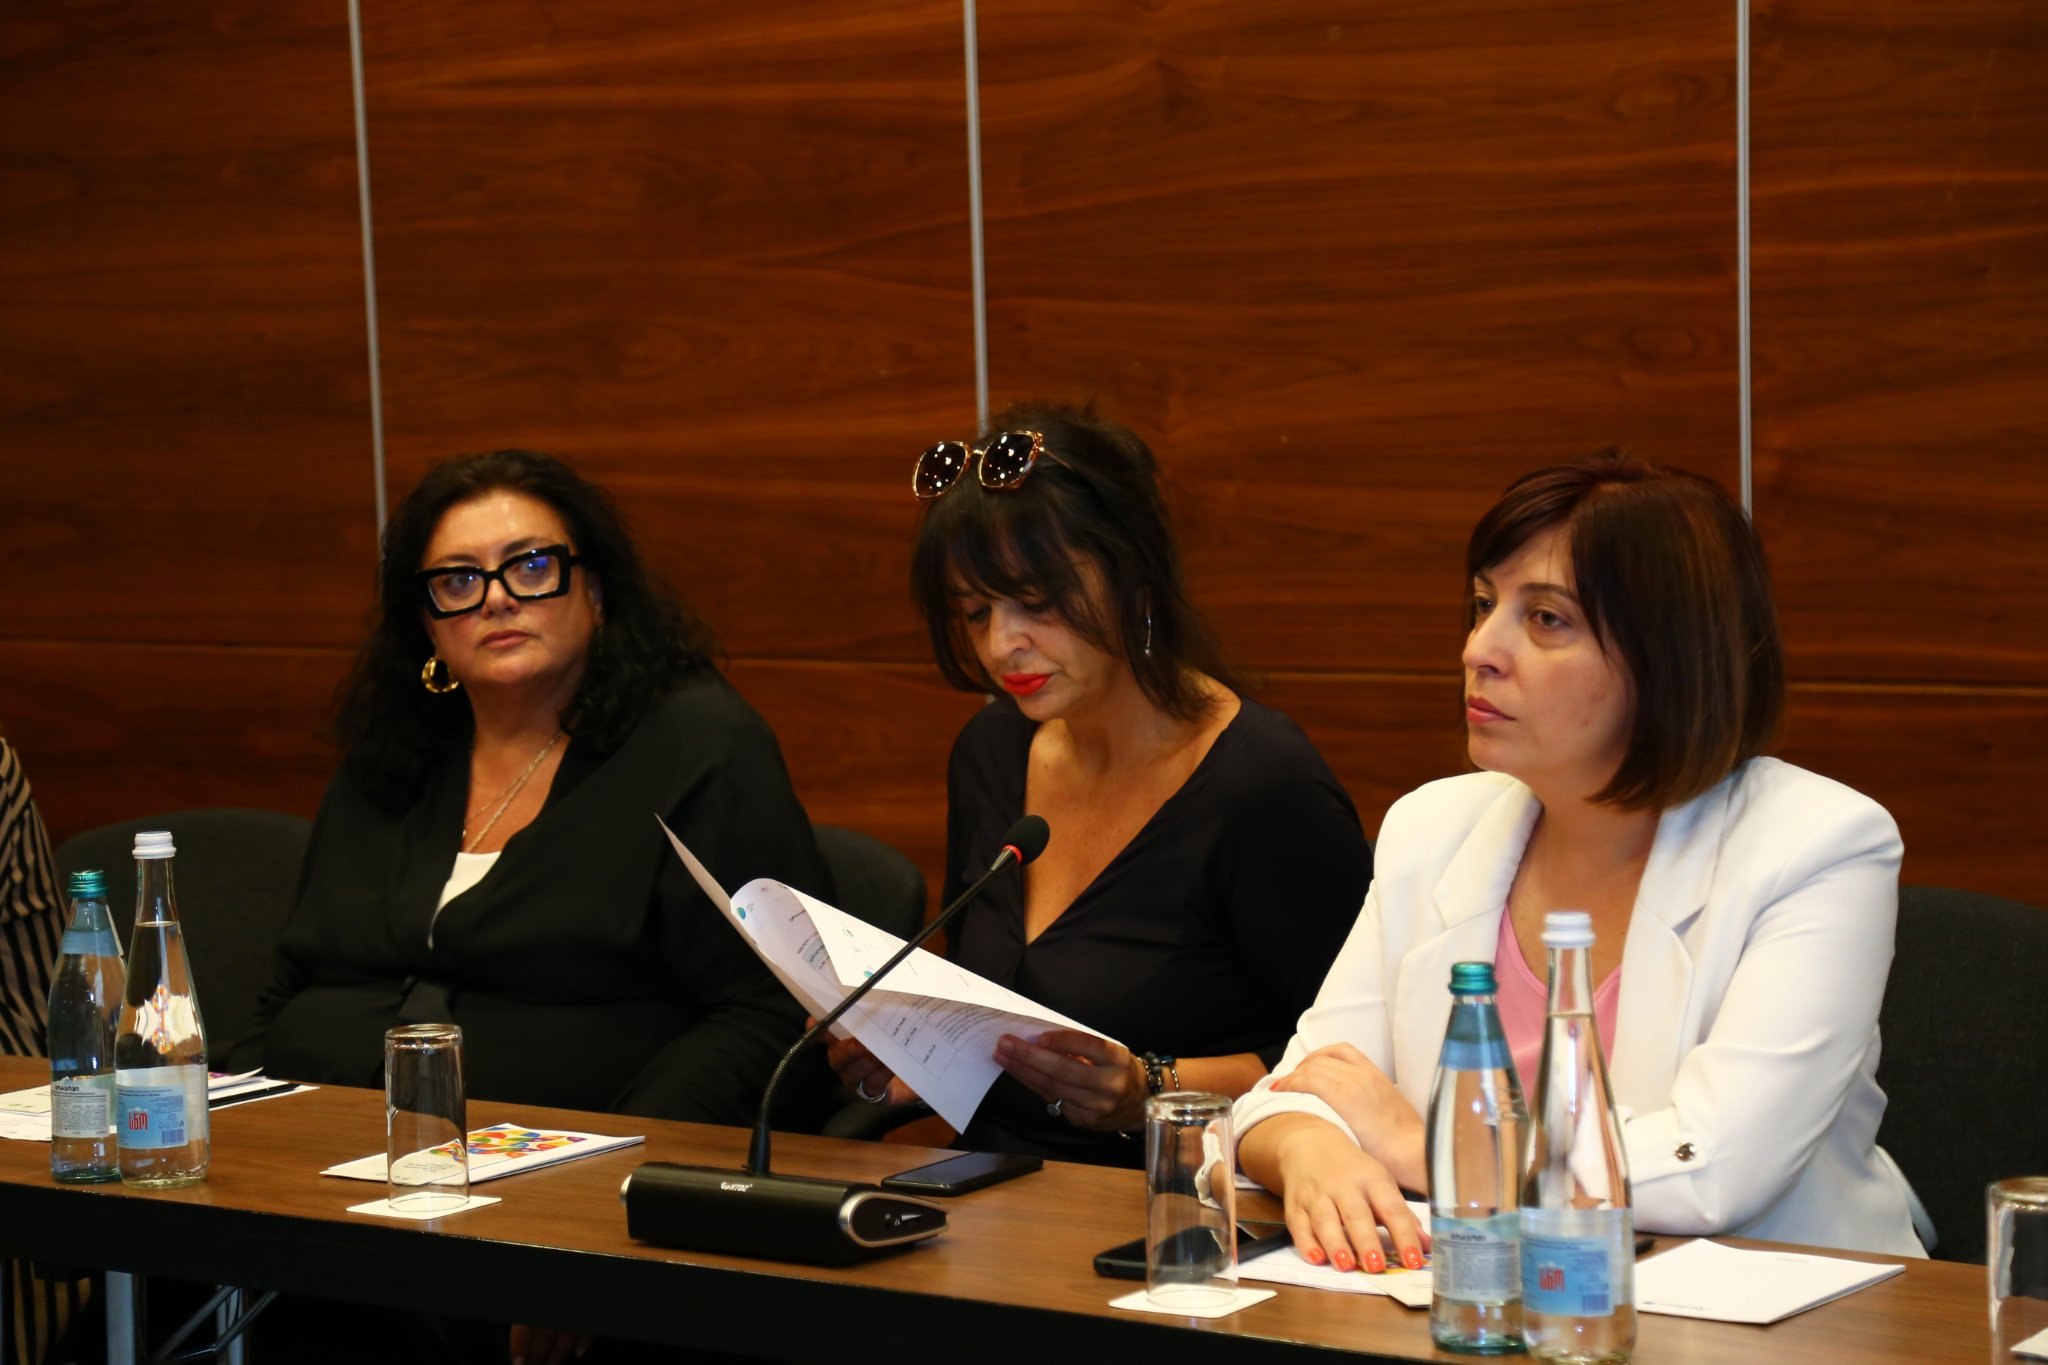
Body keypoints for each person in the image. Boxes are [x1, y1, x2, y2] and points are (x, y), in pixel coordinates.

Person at [1236, 452, 1926, 1272]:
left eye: (1546, 619)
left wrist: (1421, 1147)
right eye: (1484, 604)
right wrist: (1308, 1148)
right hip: (1481, 1296)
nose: (1480, 649)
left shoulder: (1818, 844)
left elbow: (1713, 1169)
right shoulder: (1432, 827)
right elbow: (1298, 1088)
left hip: (1781, 1304)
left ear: (1669, 655)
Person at [826, 403, 1372, 1167]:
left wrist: (1147, 1087)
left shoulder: (1263, 784)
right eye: (975, 612)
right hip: (988, 1187)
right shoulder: (992, 750)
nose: (1001, 645)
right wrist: (914, 1051)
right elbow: (985, 1009)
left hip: (1174, 1196)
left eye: (1036, 602)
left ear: (1133, 574)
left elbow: (1349, 1062)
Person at [241, 449, 832, 1129]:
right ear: (429, 622)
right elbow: (294, 981)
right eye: (459, 579)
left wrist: (626, 1153)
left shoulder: (696, 746)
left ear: (596, 592)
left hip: (575, 1154)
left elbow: (769, 1011)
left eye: (530, 566)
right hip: (327, 1140)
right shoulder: (392, 749)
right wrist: (245, 1123)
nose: (497, 598)